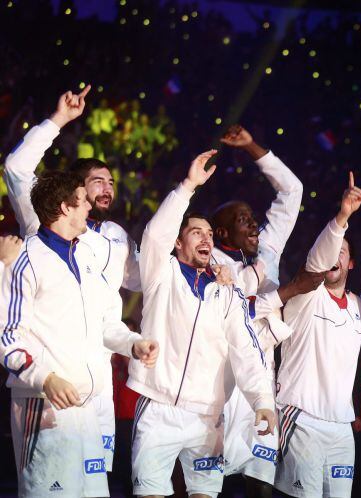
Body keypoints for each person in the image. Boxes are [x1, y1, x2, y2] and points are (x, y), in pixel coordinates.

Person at [4, 85, 142, 473]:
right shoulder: (45, 221)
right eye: (98, 180)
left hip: (97, 383)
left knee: (94, 483)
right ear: (75, 191)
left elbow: (144, 280)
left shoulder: (115, 236)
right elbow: (16, 169)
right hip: (52, 379)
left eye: (112, 182)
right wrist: (59, 119)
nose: (108, 188)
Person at [128, 150, 277, 498]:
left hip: (208, 418)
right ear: (178, 242)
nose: (206, 238)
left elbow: (246, 348)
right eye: (196, 233)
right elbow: (154, 235)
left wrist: (262, 400)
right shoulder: (160, 273)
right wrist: (188, 186)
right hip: (158, 407)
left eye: (209, 233)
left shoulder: (227, 293)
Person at [0, 169, 157, 497]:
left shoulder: (86, 256)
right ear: (64, 207)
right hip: (45, 407)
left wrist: (133, 343)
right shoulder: (24, 261)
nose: (89, 207)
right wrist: (45, 379)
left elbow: (105, 322)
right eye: (82, 201)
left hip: (86, 411)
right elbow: (7, 337)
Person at [211, 124, 305, 498]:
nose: (253, 224)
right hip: (225, 377)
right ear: (221, 234)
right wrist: (284, 292)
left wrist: (252, 147)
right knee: (209, 479)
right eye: (242, 219)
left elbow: (292, 190)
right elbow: (235, 310)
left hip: (263, 373)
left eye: (252, 217)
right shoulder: (212, 262)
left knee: (261, 481)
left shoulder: (266, 249)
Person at [274, 172, 361, 497]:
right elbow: (317, 261)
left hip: (342, 426)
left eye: (342, 252)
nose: (334, 256)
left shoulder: (360, 307)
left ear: (352, 264)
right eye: (332, 249)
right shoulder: (306, 294)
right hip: (302, 417)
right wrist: (342, 217)